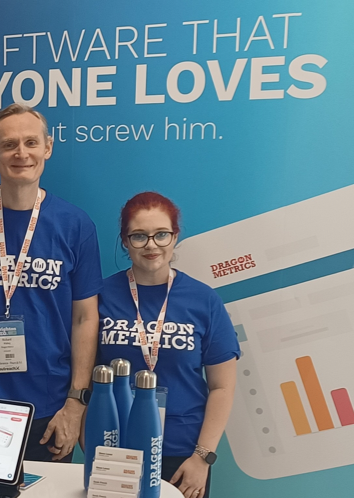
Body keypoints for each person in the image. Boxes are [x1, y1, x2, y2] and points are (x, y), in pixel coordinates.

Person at [0, 104, 103, 462]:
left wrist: (75, 404)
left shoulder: (75, 225)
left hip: (51, 411)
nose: (21, 153)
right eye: (9, 144)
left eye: (31, 142)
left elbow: (85, 318)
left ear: (48, 148)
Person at [97, 192, 239, 498]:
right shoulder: (100, 296)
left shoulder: (204, 300)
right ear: (125, 241)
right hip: (116, 447)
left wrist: (202, 458)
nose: (151, 245)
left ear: (175, 237)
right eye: (139, 236)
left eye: (161, 234)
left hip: (183, 456)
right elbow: (84, 374)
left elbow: (222, 387)